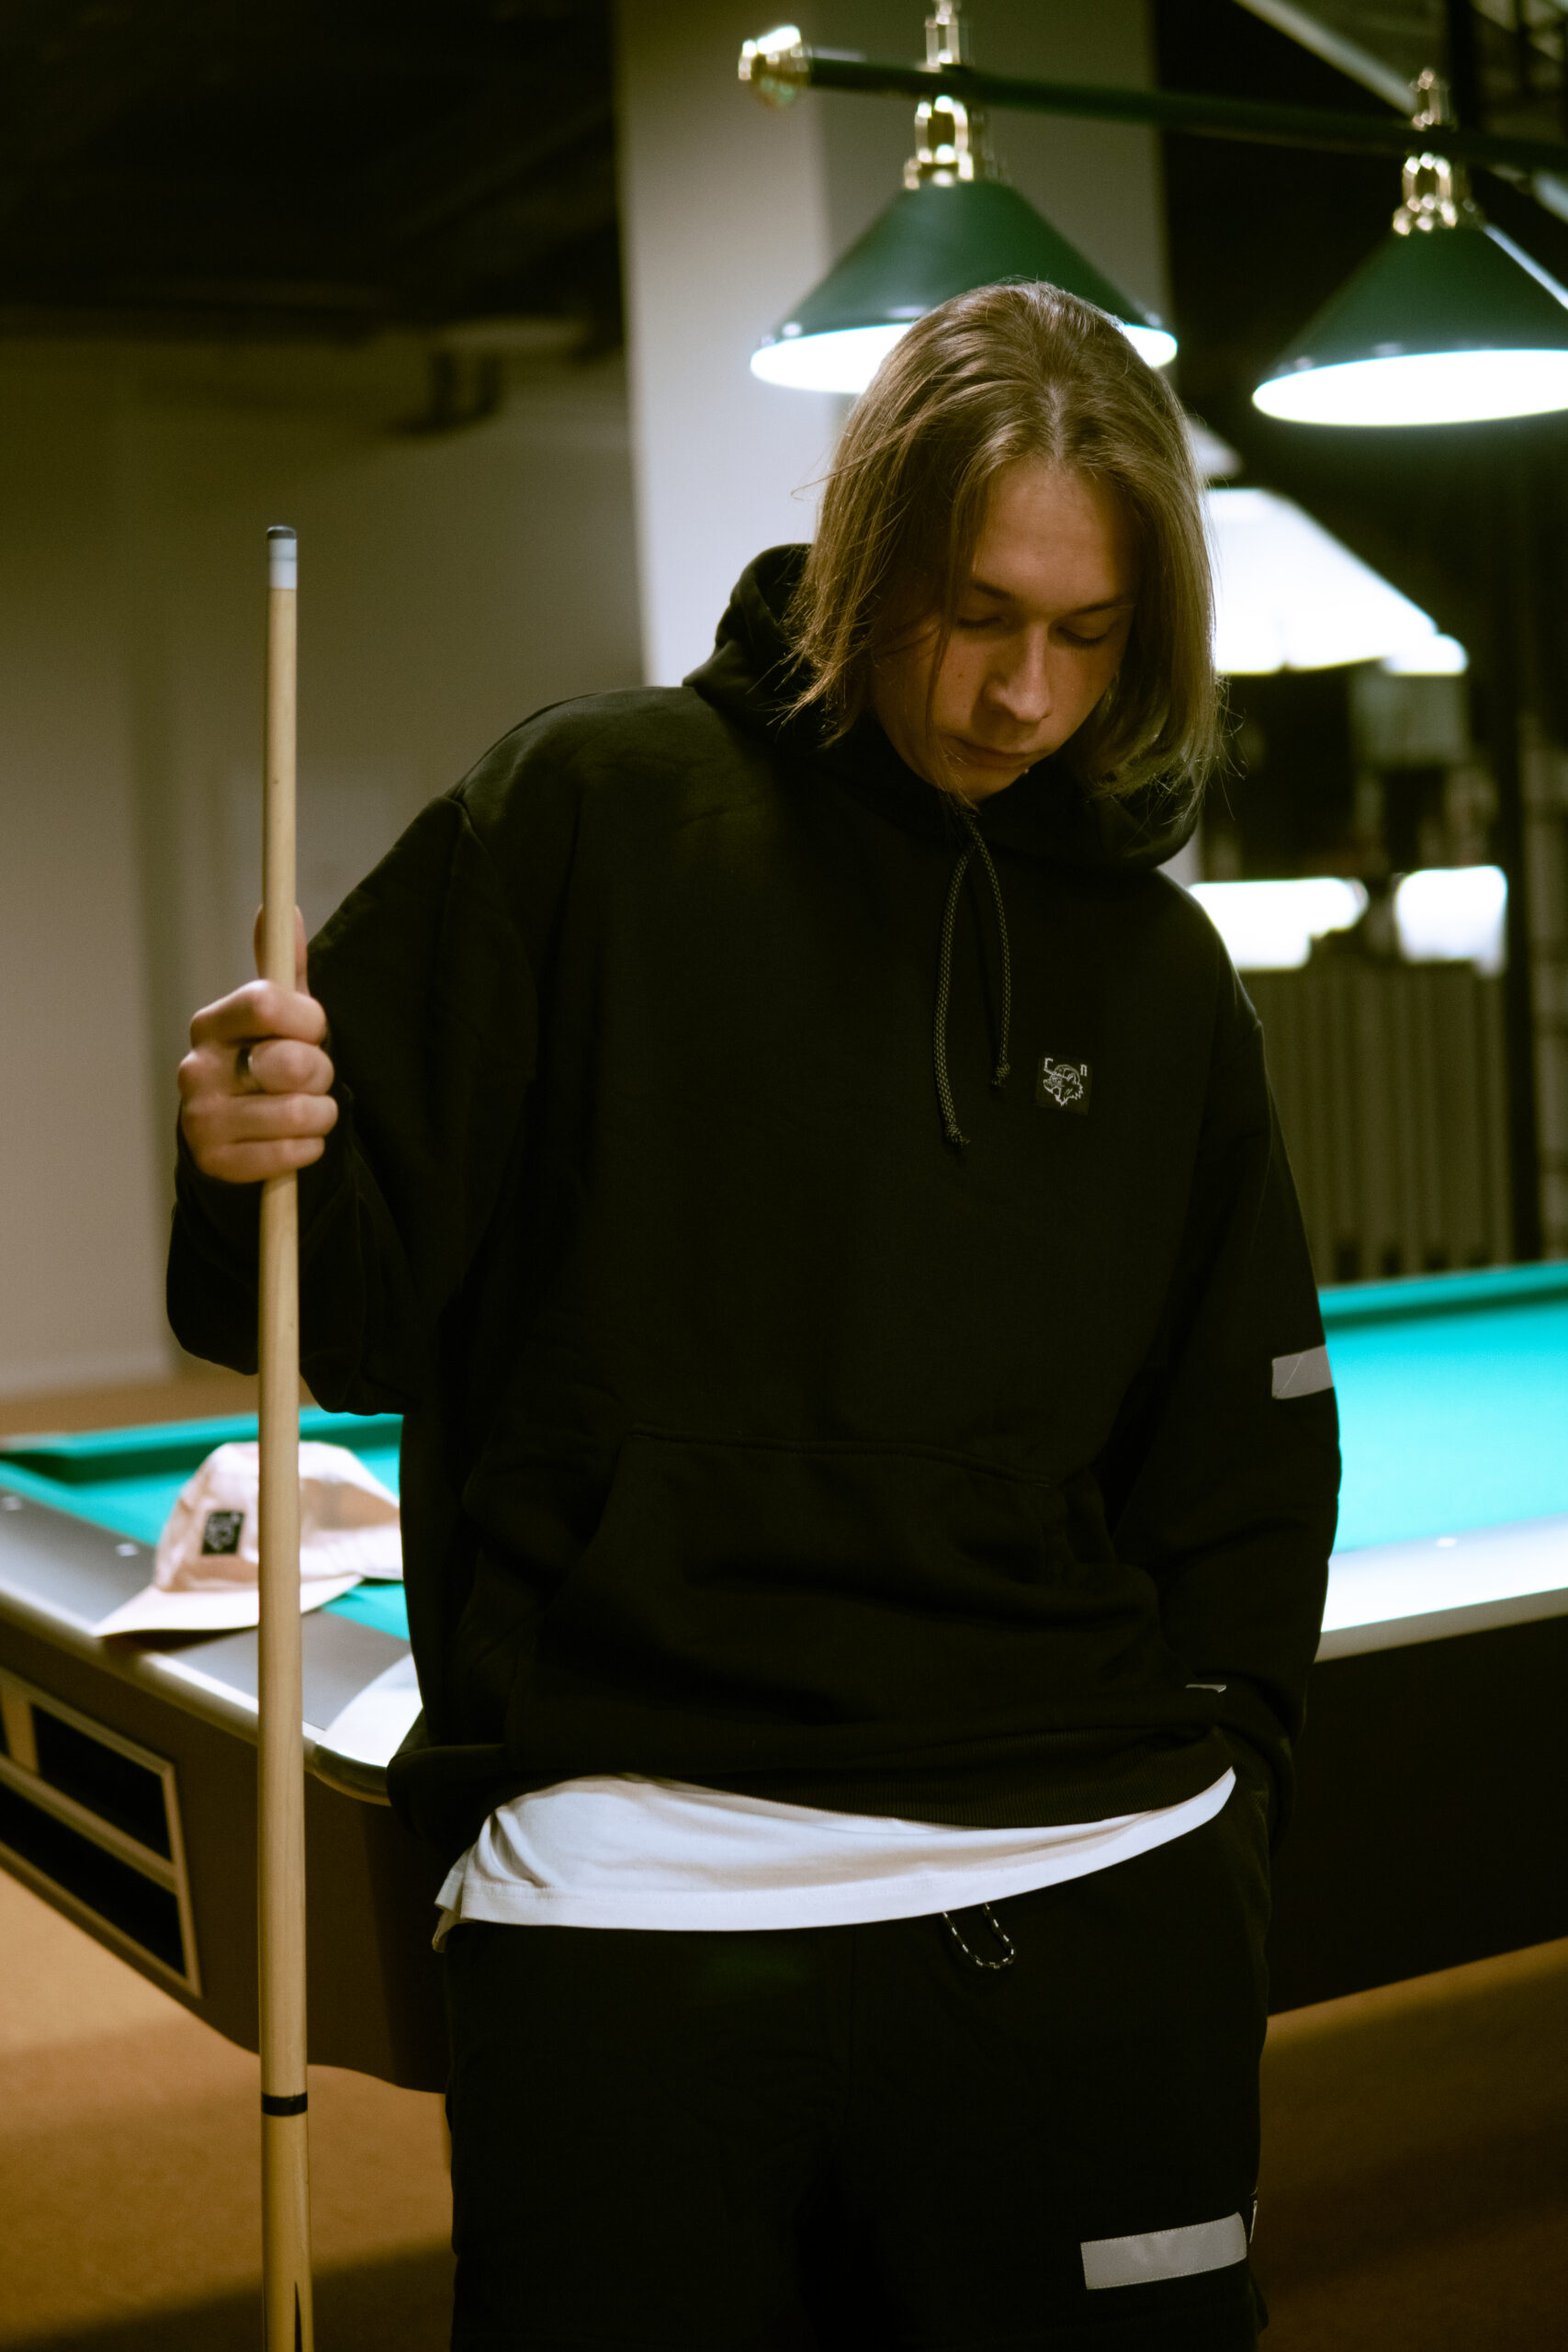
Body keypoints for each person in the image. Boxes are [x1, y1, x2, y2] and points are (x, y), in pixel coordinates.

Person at [171, 281, 1339, 2351]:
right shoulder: (584, 815)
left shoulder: (1160, 970)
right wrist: (249, 1148)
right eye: (977, 616)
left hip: (1097, 1875)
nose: (1024, 696)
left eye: (1088, 636)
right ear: (869, 558)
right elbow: (329, 1314)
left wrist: (1222, 1804)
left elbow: (1245, 1450)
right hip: (633, 1882)